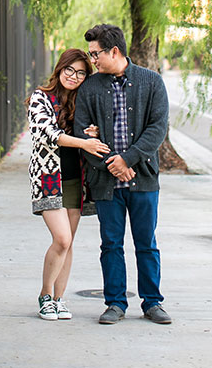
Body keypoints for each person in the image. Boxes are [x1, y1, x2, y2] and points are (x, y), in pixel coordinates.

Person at [73, 24, 171, 326]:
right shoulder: (90, 88)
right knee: (111, 244)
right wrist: (110, 164)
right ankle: (115, 303)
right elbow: (81, 132)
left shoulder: (152, 82)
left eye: (95, 54)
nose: (93, 61)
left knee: (146, 243)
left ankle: (152, 303)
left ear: (114, 51)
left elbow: (158, 128)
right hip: (106, 183)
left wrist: (128, 159)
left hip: (142, 178)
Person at [27, 47, 110, 321]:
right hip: (48, 179)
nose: (74, 76)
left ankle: (59, 299)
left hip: (76, 179)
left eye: (81, 73)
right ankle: (45, 294)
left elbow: (94, 129)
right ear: (60, 69)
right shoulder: (41, 97)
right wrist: (83, 141)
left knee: (68, 242)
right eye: (69, 70)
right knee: (61, 238)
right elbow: (47, 134)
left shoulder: (82, 101)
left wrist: (92, 132)